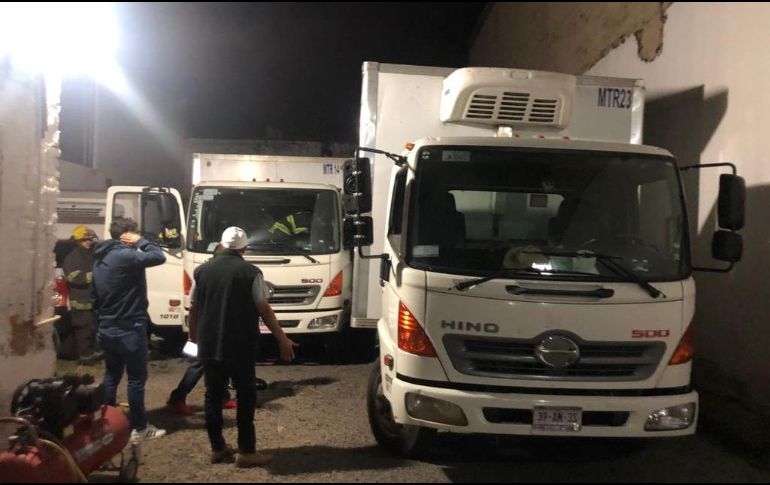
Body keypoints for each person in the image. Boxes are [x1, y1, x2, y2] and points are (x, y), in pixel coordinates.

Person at [189, 226, 297, 467]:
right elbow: (264, 308)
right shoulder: (251, 273)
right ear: (244, 248)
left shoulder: (201, 271)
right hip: (240, 344)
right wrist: (282, 338)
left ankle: (217, 448)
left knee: (212, 396)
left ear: (221, 244)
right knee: (246, 395)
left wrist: (193, 337)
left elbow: (194, 307)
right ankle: (247, 451)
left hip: (209, 344)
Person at [91, 217, 167, 444]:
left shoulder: (99, 259)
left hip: (107, 327)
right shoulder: (124, 255)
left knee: (111, 375)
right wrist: (141, 240)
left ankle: (108, 423)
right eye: (133, 234)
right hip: (129, 327)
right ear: (127, 235)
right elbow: (158, 256)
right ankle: (140, 427)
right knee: (135, 379)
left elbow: (94, 297)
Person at [62, 225, 101, 363]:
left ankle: (93, 353)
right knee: (84, 332)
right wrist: (95, 275)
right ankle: (85, 358)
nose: (89, 242)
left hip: (91, 301)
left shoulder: (90, 254)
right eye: (85, 240)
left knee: (93, 330)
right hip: (80, 303)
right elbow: (73, 278)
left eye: (90, 239)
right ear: (77, 241)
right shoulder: (72, 257)